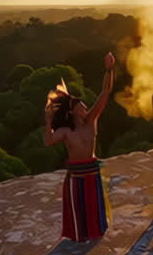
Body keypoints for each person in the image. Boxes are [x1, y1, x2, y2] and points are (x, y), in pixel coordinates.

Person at [45, 52, 115, 242]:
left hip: (91, 172)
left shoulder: (92, 120)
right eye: (82, 107)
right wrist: (48, 119)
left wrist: (109, 69)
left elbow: (106, 92)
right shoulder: (66, 131)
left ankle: (94, 231)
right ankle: (79, 234)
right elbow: (48, 141)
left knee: (93, 206)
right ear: (73, 111)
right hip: (76, 175)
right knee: (79, 208)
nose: (86, 108)